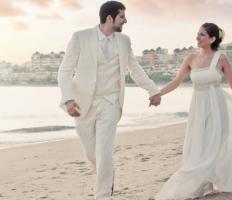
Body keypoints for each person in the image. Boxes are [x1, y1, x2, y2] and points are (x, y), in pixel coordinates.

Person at [57, 1, 161, 199]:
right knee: (91, 153)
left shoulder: (124, 41)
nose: (126, 20)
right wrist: (68, 99)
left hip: (111, 102)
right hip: (83, 104)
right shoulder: (80, 37)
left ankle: (103, 195)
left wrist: (152, 90)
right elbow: (65, 71)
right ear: (110, 18)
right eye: (122, 16)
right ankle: (107, 174)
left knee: (104, 153)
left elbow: (134, 68)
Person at [155, 22, 232, 200]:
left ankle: (210, 183)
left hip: (217, 106)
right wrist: (158, 94)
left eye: (201, 35)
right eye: (197, 34)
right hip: (198, 106)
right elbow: (176, 82)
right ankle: (203, 186)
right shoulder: (190, 58)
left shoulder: (221, 59)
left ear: (212, 38)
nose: (197, 37)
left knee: (214, 145)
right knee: (196, 144)